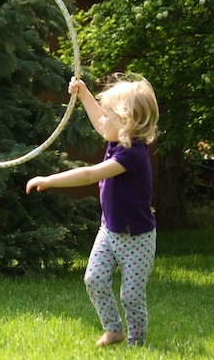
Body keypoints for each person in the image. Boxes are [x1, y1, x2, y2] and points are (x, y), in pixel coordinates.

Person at [26, 74, 159, 347]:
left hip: (137, 238)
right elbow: (102, 124)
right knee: (94, 279)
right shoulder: (117, 139)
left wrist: (50, 180)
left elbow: (89, 174)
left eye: (108, 116)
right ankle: (114, 330)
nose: (102, 121)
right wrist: (84, 93)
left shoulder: (131, 155)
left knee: (131, 296)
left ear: (126, 122)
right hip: (109, 230)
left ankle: (137, 341)